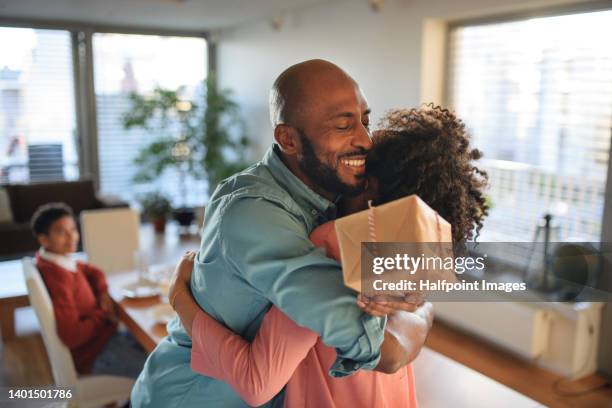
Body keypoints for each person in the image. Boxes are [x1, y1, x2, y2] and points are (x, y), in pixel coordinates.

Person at [131, 60, 424, 407]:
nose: (365, 139)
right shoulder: (255, 212)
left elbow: (419, 293)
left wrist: (419, 301)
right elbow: (381, 348)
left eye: (364, 121)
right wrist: (416, 306)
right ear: (288, 138)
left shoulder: (340, 196)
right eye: (344, 126)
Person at [168, 105, 489, 407]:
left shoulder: (331, 244)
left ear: (369, 184)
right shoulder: (406, 257)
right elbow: (397, 344)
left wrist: (180, 299)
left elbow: (257, 380)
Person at [31, 202, 147, 377]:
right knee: (165, 374)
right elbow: (70, 335)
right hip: (95, 353)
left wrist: (102, 292)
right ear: (44, 239)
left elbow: (93, 270)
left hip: (105, 339)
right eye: (61, 232)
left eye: (73, 229)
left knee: (159, 350)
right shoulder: (58, 277)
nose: (71, 237)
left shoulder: (56, 261)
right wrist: (102, 312)